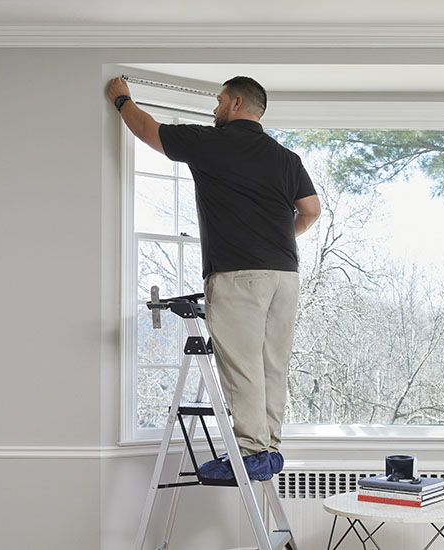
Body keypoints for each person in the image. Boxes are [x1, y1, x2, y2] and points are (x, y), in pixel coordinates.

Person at [107, 75, 321, 481]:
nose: (214, 108)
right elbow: (310, 211)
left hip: (239, 275)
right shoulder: (287, 159)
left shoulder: (212, 143)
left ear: (237, 103)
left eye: (219, 101)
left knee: (242, 366)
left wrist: (121, 100)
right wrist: (274, 239)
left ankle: (250, 450)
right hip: (285, 277)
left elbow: (148, 131)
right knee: (272, 364)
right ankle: (270, 447)